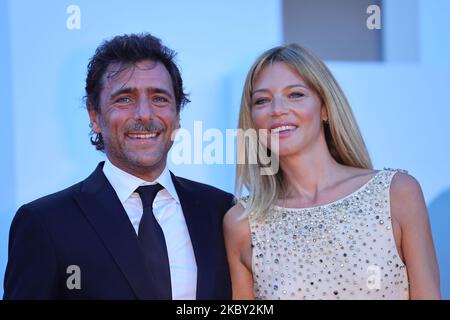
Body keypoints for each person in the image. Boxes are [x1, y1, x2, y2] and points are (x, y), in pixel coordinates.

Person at [4, 33, 233, 299]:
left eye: (159, 98)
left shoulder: (220, 211)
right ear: (94, 116)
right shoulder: (45, 223)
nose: (144, 114)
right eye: (124, 99)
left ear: (177, 114)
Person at [224, 44, 441, 300]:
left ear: (325, 108)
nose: (277, 109)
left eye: (295, 94)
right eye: (262, 100)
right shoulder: (242, 223)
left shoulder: (396, 193)